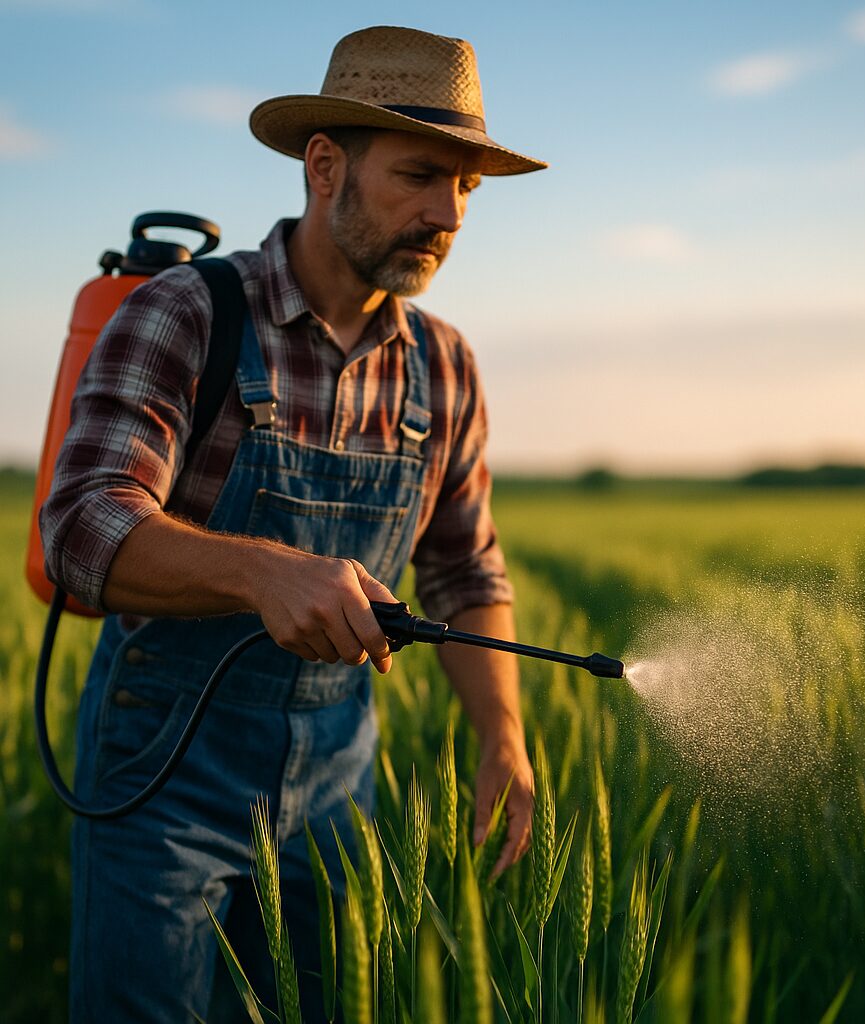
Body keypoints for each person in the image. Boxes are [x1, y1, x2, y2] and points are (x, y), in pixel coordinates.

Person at [40, 25, 546, 1022]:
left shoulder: (443, 368)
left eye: (466, 189)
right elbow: (83, 527)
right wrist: (265, 573)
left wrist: (503, 737)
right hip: (160, 782)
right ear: (325, 166)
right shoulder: (188, 313)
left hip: (335, 796)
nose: (446, 212)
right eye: (418, 175)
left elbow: (466, 571)